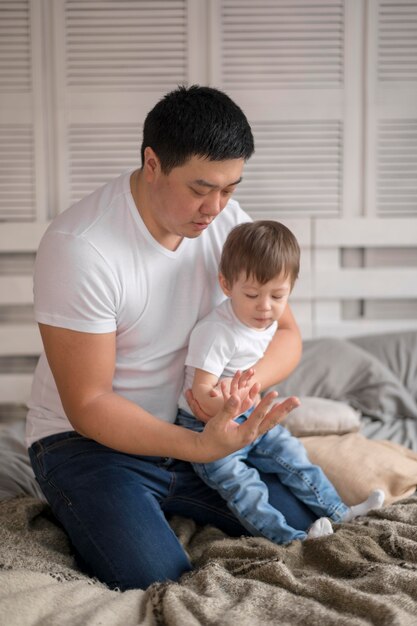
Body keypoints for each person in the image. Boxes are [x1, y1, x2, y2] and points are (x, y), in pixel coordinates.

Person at [27, 85, 317, 591]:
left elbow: (286, 333)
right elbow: (89, 404)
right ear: (153, 163)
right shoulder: (82, 248)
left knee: (302, 528)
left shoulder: (228, 221)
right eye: (201, 188)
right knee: (159, 579)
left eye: (230, 188)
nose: (216, 206)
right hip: (88, 446)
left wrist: (235, 392)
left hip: (194, 433)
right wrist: (201, 446)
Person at [177, 221, 385, 543]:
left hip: (251, 413)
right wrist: (232, 407)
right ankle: (290, 540)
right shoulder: (215, 332)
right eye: (252, 294)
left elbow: (281, 343)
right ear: (226, 284)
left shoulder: (269, 319)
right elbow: (199, 392)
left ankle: (339, 512)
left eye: (277, 295)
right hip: (208, 425)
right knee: (244, 487)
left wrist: (249, 408)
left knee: (293, 455)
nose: (265, 307)